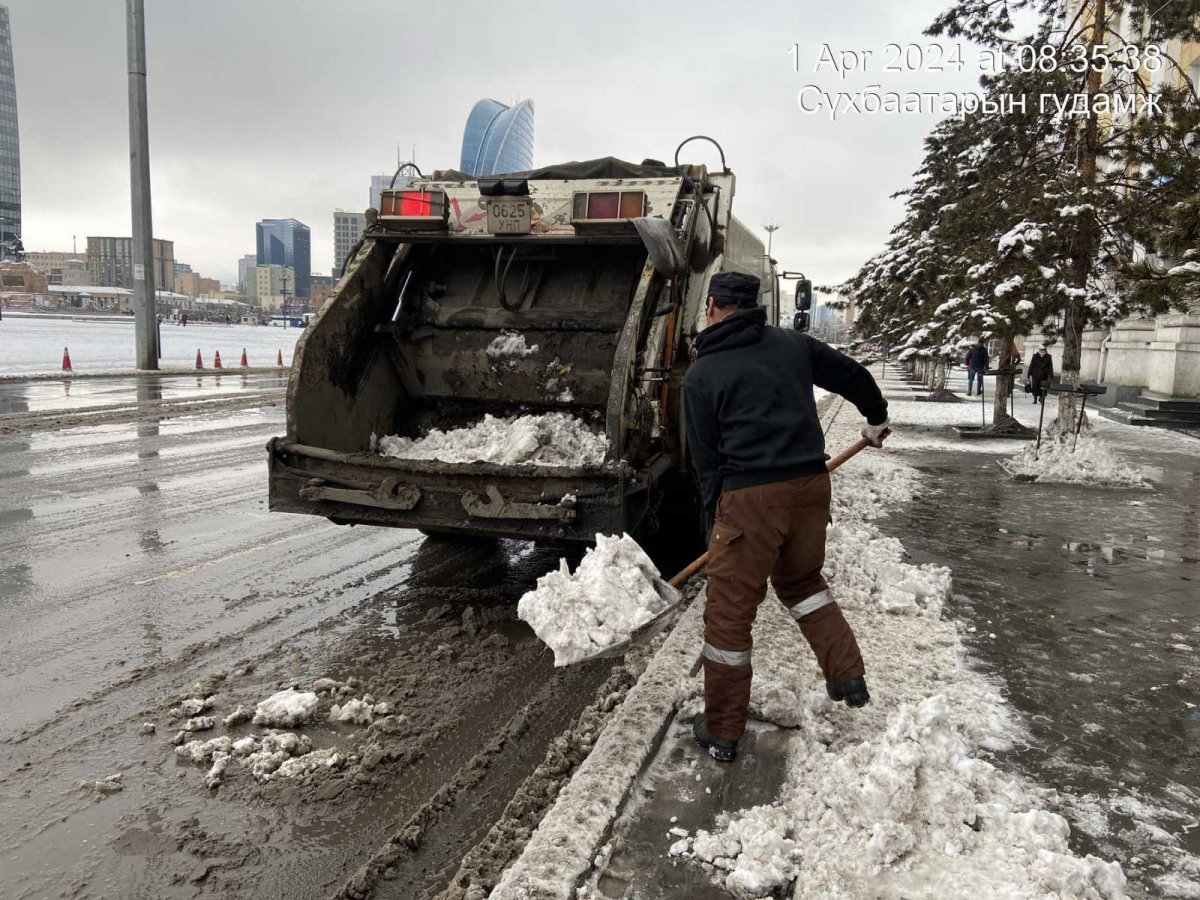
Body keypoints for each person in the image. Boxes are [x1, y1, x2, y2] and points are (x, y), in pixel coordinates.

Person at [682, 272, 890, 763]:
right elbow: (853, 376)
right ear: (752, 305)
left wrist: (719, 521)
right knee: (802, 583)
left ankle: (722, 730)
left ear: (711, 305)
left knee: (730, 614)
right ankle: (848, 677)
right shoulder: (794, 345)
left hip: (751, 499)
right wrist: (876, 417)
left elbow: (706, 461)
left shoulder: (703, 375)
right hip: (811, 489)